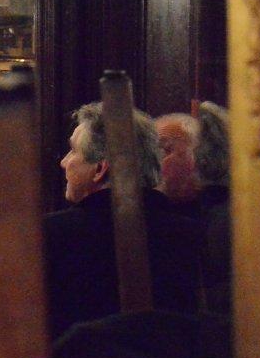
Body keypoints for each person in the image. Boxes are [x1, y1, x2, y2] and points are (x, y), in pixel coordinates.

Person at [44, 102, 207, 340]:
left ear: (100, 169)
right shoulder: (192, 235)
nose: (64, 162)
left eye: (73, 151)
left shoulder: (51, 236)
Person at [155, 103, 232, 311]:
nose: (151, 163)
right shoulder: (156, 220)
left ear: (197, 156)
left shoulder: (226, 221)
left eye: (163, 150)